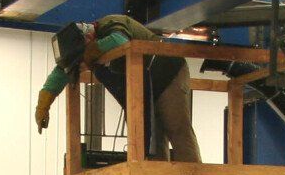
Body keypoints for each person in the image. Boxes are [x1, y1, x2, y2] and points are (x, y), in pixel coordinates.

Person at [35, 14, 201, 162]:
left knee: (177, 128)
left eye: (80, 62)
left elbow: (121, 41)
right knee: (150, 142)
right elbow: (59, 74)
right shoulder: (81, 49)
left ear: (88, 39)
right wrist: (43, 104)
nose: (82, 67)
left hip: (167, 72)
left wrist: (94, 50)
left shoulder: (111, 23)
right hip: (145, 85)